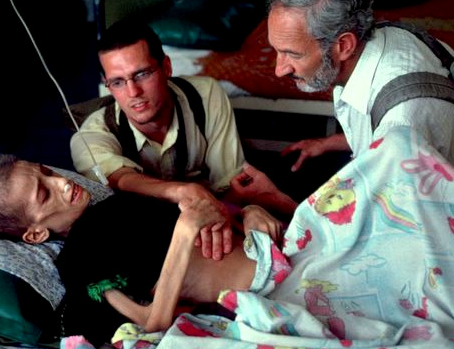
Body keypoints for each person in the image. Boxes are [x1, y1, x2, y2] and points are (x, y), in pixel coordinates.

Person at [0, 155, 288, 346]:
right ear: (35, 233)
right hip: (270, 283)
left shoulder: (118, 202)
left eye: (48, 172)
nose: (62, 182)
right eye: (44, 193)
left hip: (280, 244)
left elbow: (213, 215)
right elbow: (151, 321)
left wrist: (249, 212)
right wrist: (184, 232)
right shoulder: (78, 260)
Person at [69, 19, 296, 260]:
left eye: (142, 74)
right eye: (118, 82)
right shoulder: (90, 136)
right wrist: (185, 191)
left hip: (214, 222)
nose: (133, 93)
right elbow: (120, 179)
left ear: (166, 67)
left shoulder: (205, 96)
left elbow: (232, 185)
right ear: (108, 85)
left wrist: (251, 207)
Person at [264, 0, 454, 174]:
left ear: (344, 45)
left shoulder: (400, 122)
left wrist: (274, 200)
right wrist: (328, 143)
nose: (279, 70)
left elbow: (394, 208)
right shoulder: (390, 36)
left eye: (293, 54)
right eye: (277, 50)